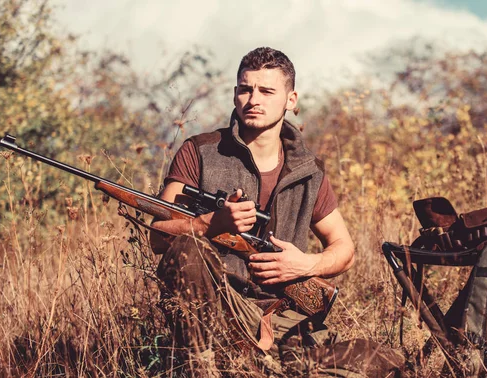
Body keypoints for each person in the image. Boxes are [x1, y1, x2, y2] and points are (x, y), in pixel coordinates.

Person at [150, 47, 405, 377]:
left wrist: (305, 263)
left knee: (380, 357)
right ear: (235, 95)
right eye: (245, 89)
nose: (254, 99)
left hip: (284, 320)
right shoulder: (200, 151)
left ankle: (267, 365)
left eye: (267, 91)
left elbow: (345, 250)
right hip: (218, 313)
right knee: (188, 249)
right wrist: (209, 224)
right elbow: (158, 237)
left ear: (291, 99)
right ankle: (207, 368)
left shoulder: (309, 171)